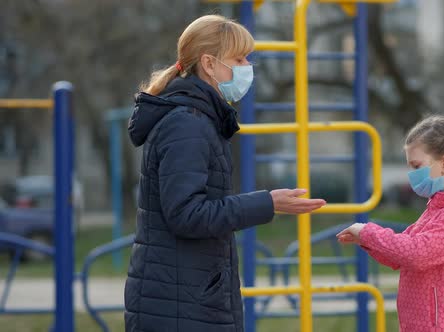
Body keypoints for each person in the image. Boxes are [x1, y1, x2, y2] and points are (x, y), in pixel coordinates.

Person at [125, 15, 326, 332]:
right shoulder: (187, 124)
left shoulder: (198, 118)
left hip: (188, 297)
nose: (248, 66)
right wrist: (267, 204)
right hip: (181, 305)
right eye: (239, 58)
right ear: (209, 63)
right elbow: (187, 214)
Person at [337, 115, 444, 331]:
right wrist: (365, 239)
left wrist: (368, 233)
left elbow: (416, 254)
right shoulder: (439, 207)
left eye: (417, 166)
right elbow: (402, 251)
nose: (412, 175)